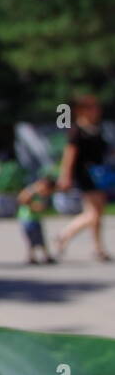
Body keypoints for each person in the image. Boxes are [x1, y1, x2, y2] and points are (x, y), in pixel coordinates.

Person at [56, 95, 110, 262]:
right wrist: (65, 175)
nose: (96, 111)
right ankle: (64, 234)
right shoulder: (77, 131)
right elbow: (69, 155)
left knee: (97, 213)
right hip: (85, 175)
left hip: (100, 175)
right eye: (92, 108)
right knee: (93, 214)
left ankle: (98, 247)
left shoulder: (97, 128)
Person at [17, 175, 56, 265]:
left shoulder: (37, 192)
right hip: (28, 219)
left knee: (40, 238)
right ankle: (32, 256)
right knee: (32, 239)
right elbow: (22, 199)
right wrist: (34, 206)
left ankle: (45, 256)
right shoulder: (32, 191)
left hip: (35, 218)